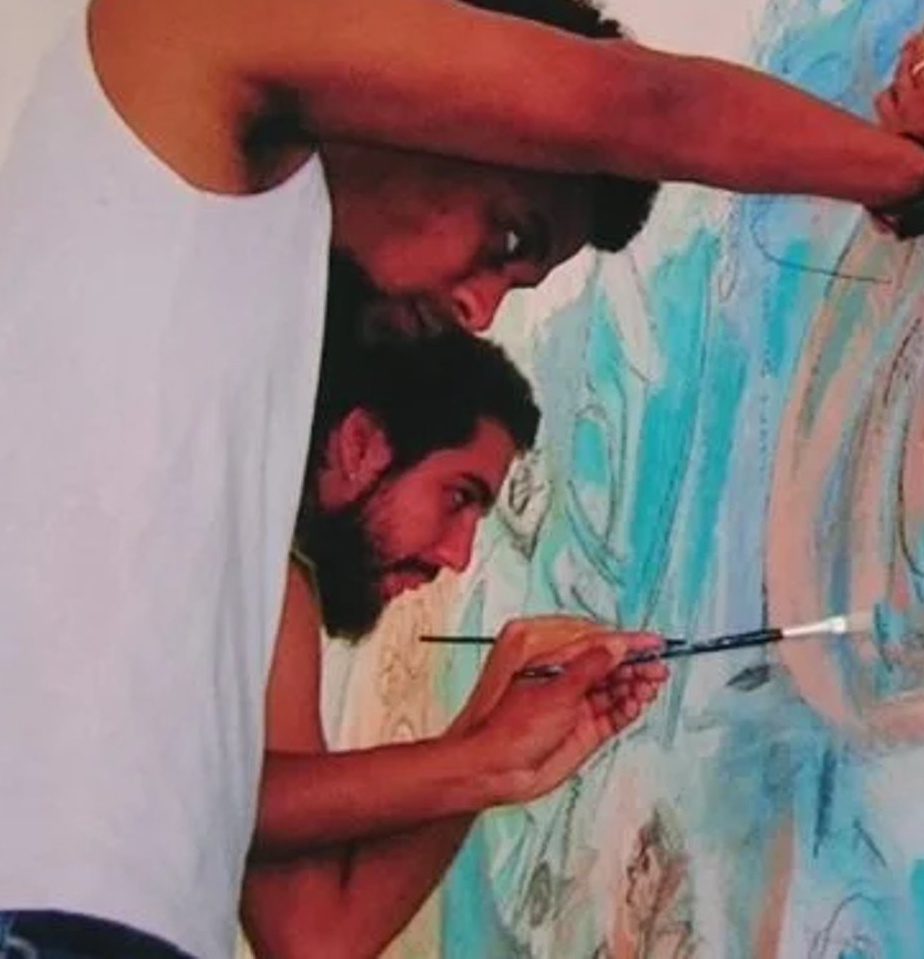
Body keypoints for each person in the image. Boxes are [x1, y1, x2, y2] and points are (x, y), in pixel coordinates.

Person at [0, 0, 924, 959]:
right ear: (445, 87)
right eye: (507, 239)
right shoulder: (165, 48)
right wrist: (918, 176)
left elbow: (309, 930)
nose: (478, 310)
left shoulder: (243, 500)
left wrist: (488, 754)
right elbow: (630, 103)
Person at [240, 302, 664, 959]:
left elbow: (313, 938)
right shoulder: (257, 561)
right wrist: (487, 757)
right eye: (458, 497)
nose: (458, 556)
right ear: (361, 444)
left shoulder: (275, 584)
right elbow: (233, 797)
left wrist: (485, 739)